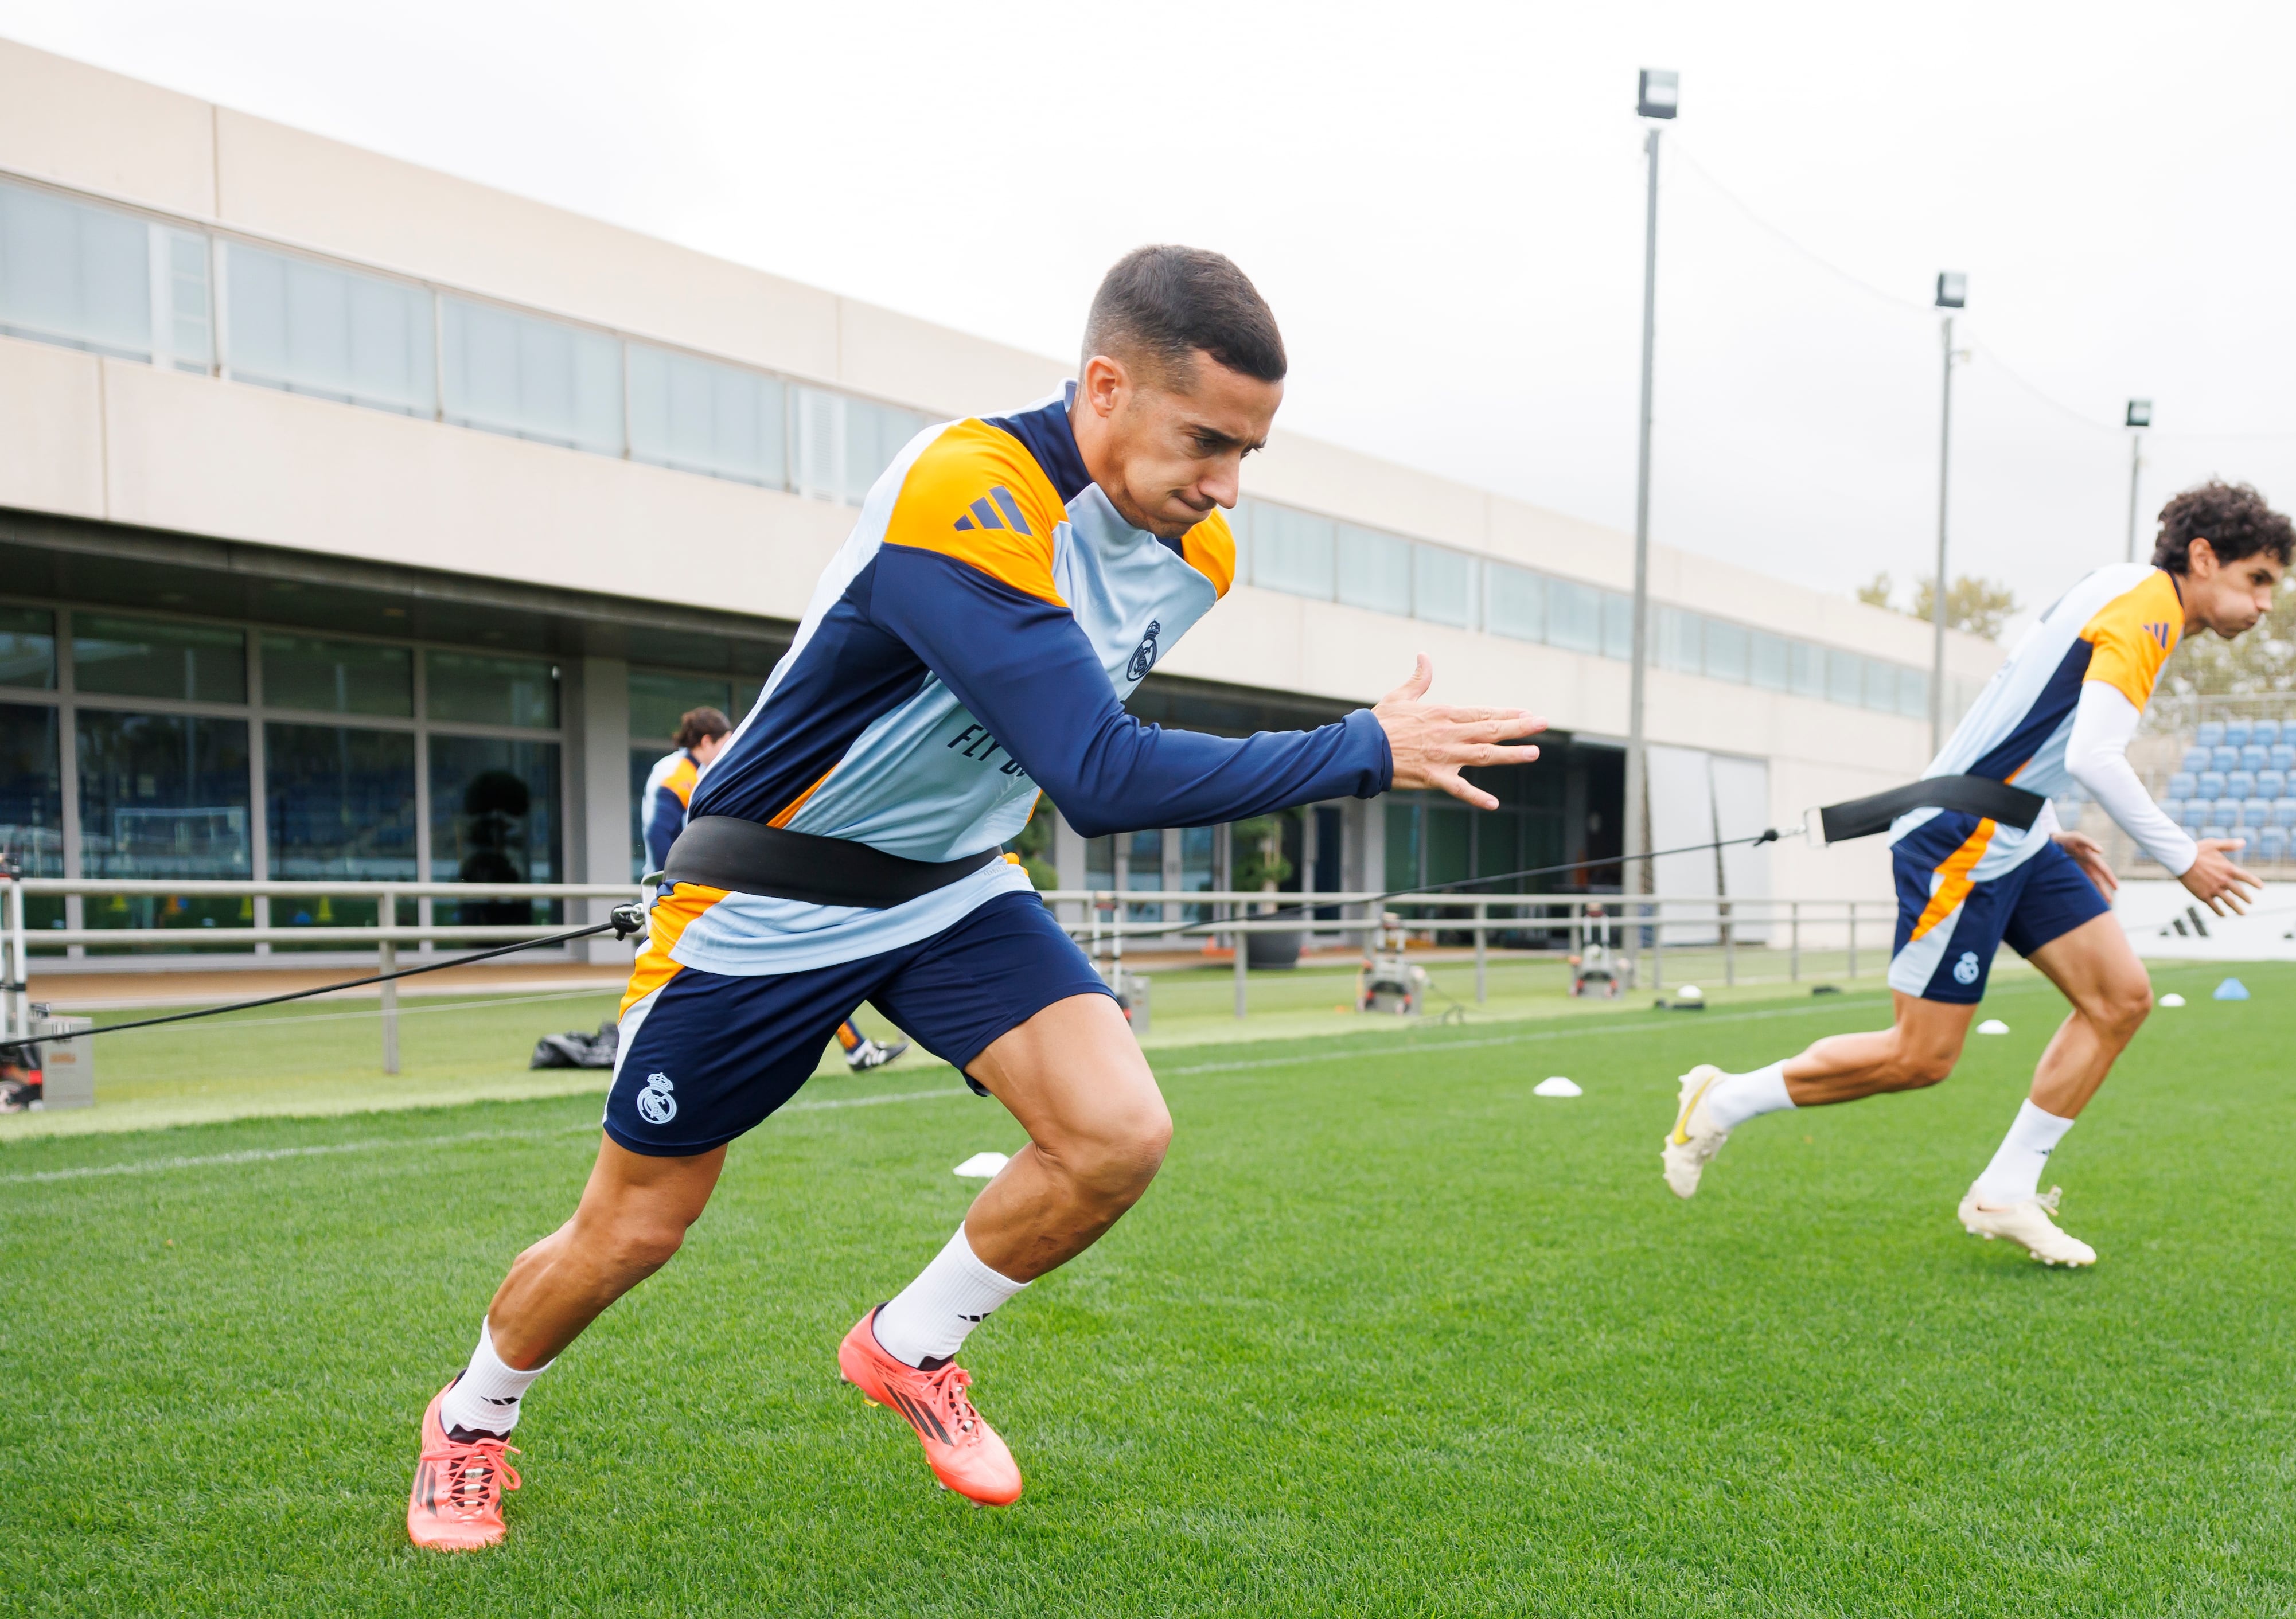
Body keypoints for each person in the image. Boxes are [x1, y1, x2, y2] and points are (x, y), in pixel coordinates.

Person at [406, 245, 1545, 1550]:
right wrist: (1362, 747)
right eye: (1204, 440)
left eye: (1249, 453)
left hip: (955, 887)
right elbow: (1096, 771)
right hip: (771, 899)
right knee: (634, 1230)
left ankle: (909, 1344)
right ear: (1104, 387)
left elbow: (1035, 734)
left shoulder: (1200, 554)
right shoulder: (969, 489)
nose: (1225, 484)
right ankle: (472, 1419)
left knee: (1116, 1134)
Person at [1658, 482, 2291, 1267]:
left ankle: (2005, 1191)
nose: (2265, 604)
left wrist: (2051, 827)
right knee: (1919, 1057)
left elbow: (2027, 721)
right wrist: (2183, 856)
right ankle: (1721, 1099)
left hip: (2018, 835)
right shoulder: (2148, 608)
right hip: (1962, 839)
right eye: (2258, 578)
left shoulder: (2121, 589)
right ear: (2204, 558)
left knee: (2120, 999)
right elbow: (2093, 753)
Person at [644, 707, 907, 1073]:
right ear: (706, 742)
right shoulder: (677, 774)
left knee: (789, 967)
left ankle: (852, 1048)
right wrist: (674, 885)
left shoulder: (695, 771)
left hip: (705, 892)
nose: (728, 750)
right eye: (724, 743)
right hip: (686, 897)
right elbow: (660, 836)